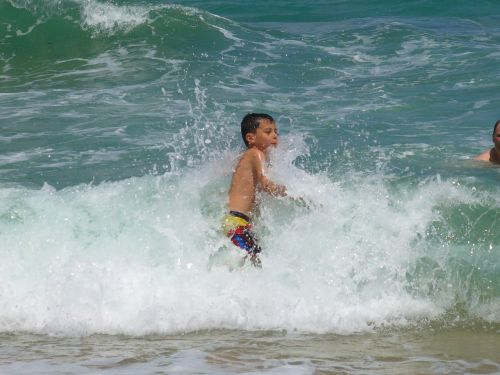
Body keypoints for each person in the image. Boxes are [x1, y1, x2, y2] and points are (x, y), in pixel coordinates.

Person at [222, 113, 287, 267]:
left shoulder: (249, 156)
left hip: (237, 222)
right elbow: (266, 184)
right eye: (268, 132)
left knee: (249, 262)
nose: (274, 136)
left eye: (276, 132)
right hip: (237, 223)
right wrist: (289, 192)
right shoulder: (256, 154)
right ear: (251, 138)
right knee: (256, 261)